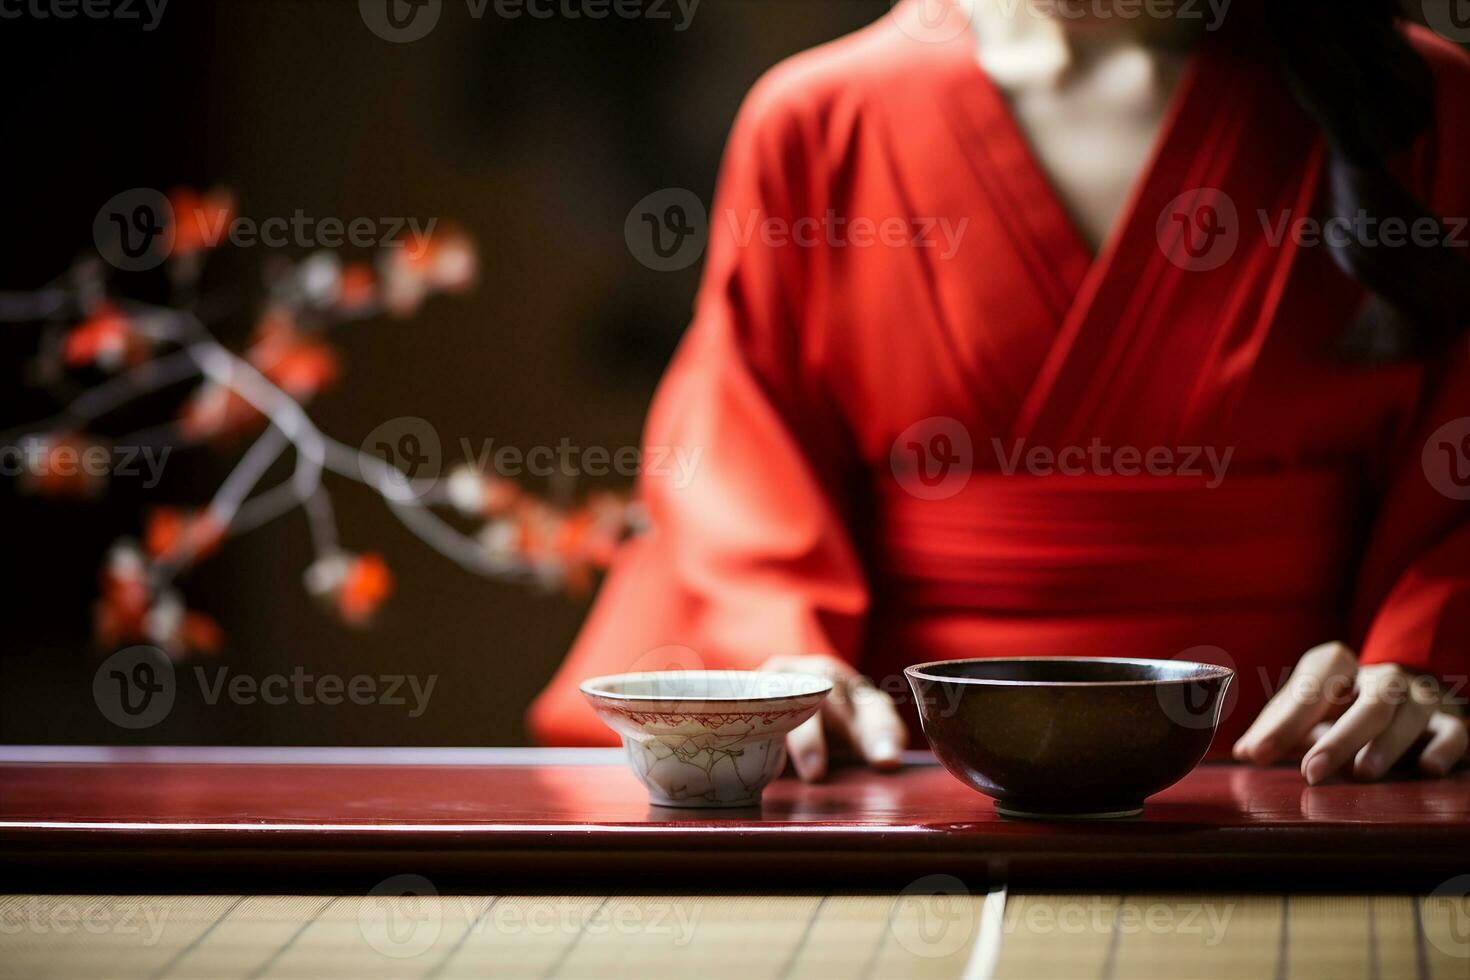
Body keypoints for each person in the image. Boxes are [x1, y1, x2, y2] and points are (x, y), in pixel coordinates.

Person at [530, 0, 1470, 786]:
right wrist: (787, 658)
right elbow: (739, 456)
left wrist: (1428, 663)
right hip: (899, 780)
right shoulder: (819, 119)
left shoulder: (1422, 106)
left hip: (1319, 780)